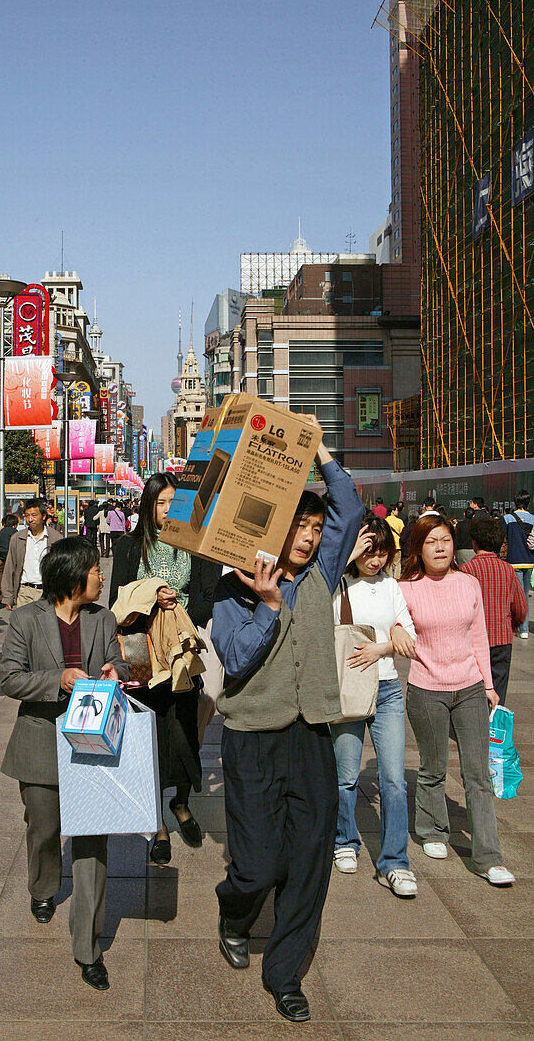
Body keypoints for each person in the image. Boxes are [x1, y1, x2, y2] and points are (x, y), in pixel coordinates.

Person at [211, 420, 364, 1023]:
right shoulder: (233, 589)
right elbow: (236, 658)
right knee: (256, 864)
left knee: (308, 859)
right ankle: (234, 910)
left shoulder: (324, 572)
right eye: (298, 526)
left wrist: (318, 448)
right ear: (277, 529)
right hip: (251, 737)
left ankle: (286, 974)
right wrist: (270, 607)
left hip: (312, 734)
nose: (308, 535)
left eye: (314, 527)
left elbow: (349, 505)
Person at [0, 537, 128, 991]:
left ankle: (88, 947)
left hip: (93, 746)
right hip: (40, 742)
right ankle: (43, 887)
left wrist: (116, 672)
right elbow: (10, 679)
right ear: (73, 576)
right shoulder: (24, 619)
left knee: (94, 845)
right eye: (94, 569)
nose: (101, 575)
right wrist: (59, 679)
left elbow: (118, 663)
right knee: (44, 829)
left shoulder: (103, 617)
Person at [110, 473, 219, 865]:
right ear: (148, 506)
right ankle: (156, 823)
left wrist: (181, 613)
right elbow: (116, 602)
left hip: (180, 649)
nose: (168, 509)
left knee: (185, 731)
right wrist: (151, 600)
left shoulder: (198, 547)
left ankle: (182, 803)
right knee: (148, 738)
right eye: (161, 503)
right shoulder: (129, 546)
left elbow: (210, 599)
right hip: (140, 651)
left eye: (175, 502)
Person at [399, 515, 515, 885]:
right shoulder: (406, 588)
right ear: (418, 548)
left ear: (454, 545)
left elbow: (478, 635)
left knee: (478, 774)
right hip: (427, 688)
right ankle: (431, 829)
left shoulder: (469, 584)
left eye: (445, 540)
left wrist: (488, 683)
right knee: (432, 768)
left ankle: (489, 857)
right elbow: (394, 626)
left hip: (469, 687)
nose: (439, 547)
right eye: (431, 541)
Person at [331, 515, 418, 897]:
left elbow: (410, 639)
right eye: (369, 552)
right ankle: (344, 841)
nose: (376, 561)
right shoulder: (339, 585)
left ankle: (395, 863)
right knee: (346, 775)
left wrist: (382, 646)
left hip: (387, 690)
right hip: (350, 689)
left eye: (382, 553)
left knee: (394, 780)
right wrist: (390, 636)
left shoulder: (392, 587)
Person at [460, 516, 528, 706]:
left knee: (474, 688)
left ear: (474, 542)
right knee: (498, 689)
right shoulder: (508, 570)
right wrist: (512, 625)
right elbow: (521, 607)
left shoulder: (466, 570)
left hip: (472, 641)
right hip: (501, 639)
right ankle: (495, 729)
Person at [1, 499, 63, 609]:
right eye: (27, 515)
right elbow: (10, 567)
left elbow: (62, 569)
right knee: (24, 625)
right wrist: (8, 596)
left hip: (47, 592)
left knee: (46, 626)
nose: (30, 519)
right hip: (24, 591)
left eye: (34, 515)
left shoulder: (56, 538)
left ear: (43, 516)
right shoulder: (18, 538)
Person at [503, 490, 534, 640]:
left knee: (515, 596)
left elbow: (502, 538)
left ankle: (518, 626)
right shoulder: (533, 519)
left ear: (515, 501)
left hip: (513, 561)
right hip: (529, 561)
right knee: (525, 595)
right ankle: (524, 628)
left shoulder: (508, 518)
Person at [386, 502, 404, 578]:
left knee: (389, 564)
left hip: (388, 545)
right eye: (396, 510)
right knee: (397, 564)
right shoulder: (399, 521)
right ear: (392, 511)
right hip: (397, 545)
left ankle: (389, 578)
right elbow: (402, 533)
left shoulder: (385, 520)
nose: (397, 512)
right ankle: (397, 579)